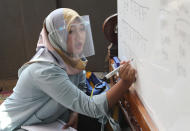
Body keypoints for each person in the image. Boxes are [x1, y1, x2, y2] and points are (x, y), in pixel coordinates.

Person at [0, 8, 136, 131]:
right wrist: (124, 83)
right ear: (55, 37)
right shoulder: (45, 70)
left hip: (46, 121)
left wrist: (74, 112)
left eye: (81, 29)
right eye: (70, 31)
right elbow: (93, 108)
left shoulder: (73, 61)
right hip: (16, 125)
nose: (79, 36)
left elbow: (81, 88)